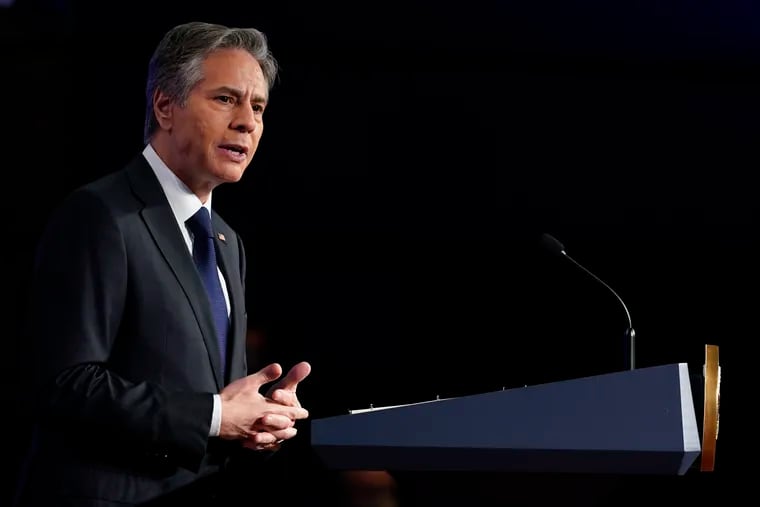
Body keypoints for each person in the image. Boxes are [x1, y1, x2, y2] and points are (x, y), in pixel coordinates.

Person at [13, 21, 311, 506]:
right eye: (225, 99)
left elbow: (216, 401)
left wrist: (256, 419)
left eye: (258, 107)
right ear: (165, 106)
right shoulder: (102, 214)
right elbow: (62, 384)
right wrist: (215, 415)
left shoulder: (226, 241)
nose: (248, 122)